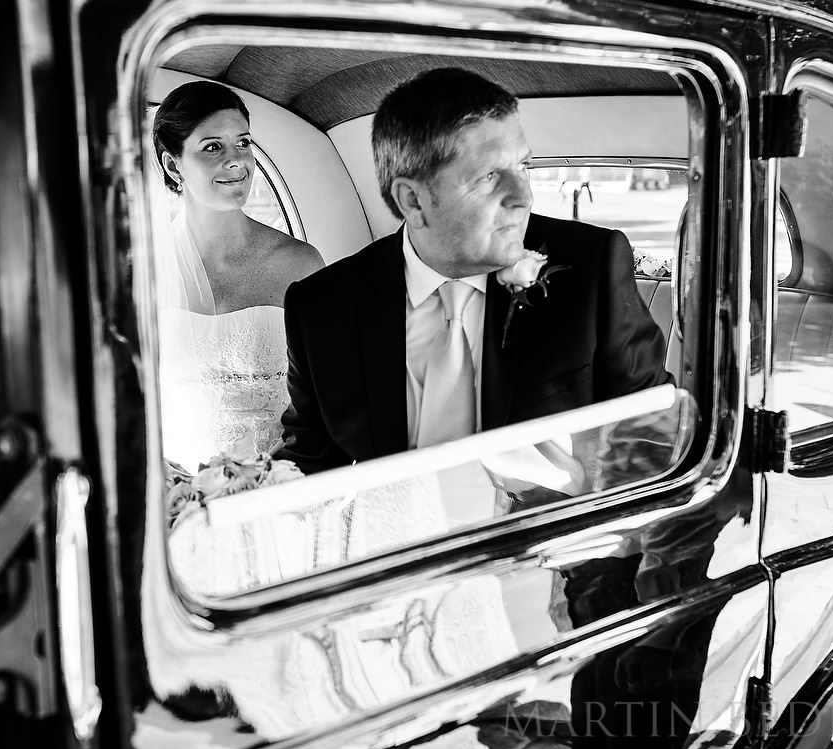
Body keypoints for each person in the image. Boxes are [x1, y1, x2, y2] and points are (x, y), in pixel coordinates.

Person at [277, 66, 669, 476]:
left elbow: (654, 436)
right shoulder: (321, 308)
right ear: (412, 200)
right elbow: (309, 463)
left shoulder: (590, 267)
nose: (523, 198)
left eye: (523, 167)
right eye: (488, 177)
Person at [152, 80, 323, 472]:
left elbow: (327, 400)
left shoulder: (299, 264)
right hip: (188, 491)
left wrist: (275, 478)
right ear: (173, 164)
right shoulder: (145, 275)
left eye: (243, 143)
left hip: (289, 479)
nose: (238, 161)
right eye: (213, 147)